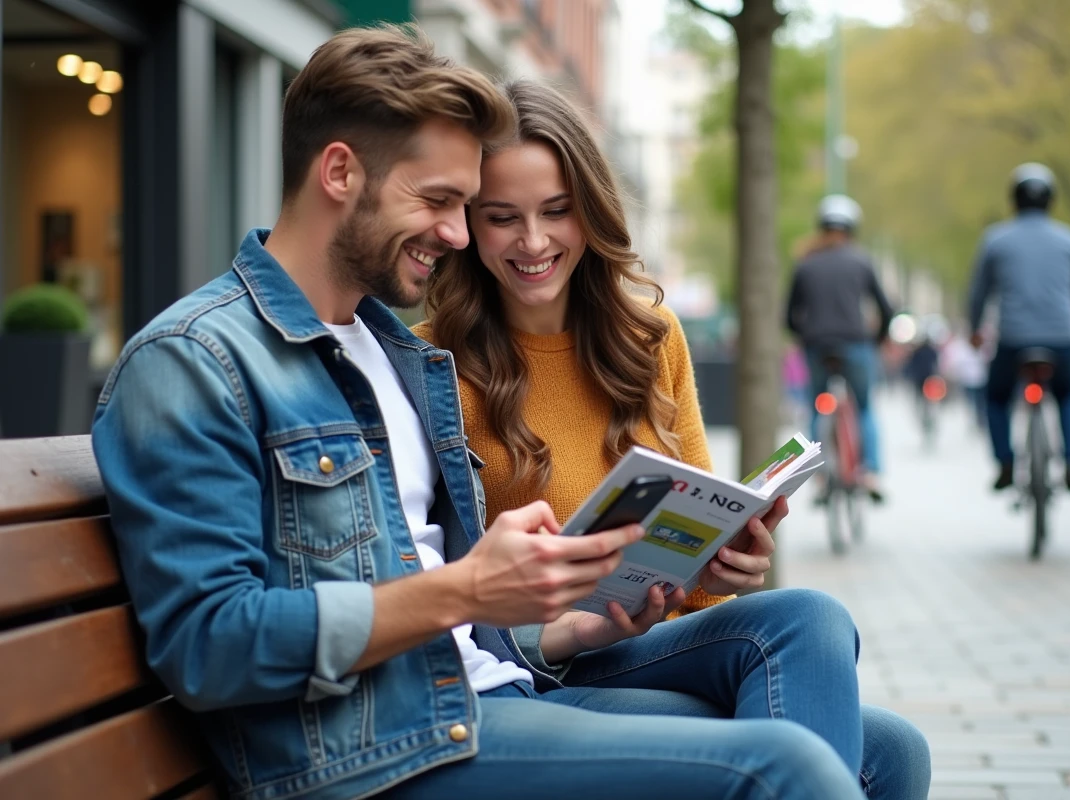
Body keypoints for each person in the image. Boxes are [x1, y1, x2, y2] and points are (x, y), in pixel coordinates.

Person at [90, 26, 866, 800]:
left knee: (877, 742)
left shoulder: (391, 354)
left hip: (491, 688)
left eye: (465, 207)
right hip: (378, 749)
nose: (459, 235)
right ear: (339, 173)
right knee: (790, 769)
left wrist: (572, 626)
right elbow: (208, 647)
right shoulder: (196, 360)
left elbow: (454, 613)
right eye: (442, 202)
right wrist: (466, 587)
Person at [415, 80, 929, 800]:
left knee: (825, 642)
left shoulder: (649, 336)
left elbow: (695, 547)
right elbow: (435, 595)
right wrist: (567, 625)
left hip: (643, 643)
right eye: (503, 218)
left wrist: (716, 571)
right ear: (469, 224)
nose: (534, 242)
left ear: (591, 210)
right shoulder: (430, 365)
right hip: (533, 668)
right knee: (882, 752)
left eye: (557, 211)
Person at [968, 163, 1070, 492]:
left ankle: (1005, 463)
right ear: (1051, 201)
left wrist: (975, 330)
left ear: (1014, 200)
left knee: (996, 398)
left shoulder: (995, 240)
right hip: (1060, 337)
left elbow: (978, 292)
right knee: (1068, 393)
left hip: (1013, 339)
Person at [786, 195, 894, 501]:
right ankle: (870, 472)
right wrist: (877, 338)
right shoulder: (862, 261)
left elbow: (790, 315)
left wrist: (804, 336)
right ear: (852, 229)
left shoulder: (805, 264)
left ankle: (819, 477)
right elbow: (886, 309)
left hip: (817, 346)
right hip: (856, 344)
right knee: (864, 407)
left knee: (816, 406)